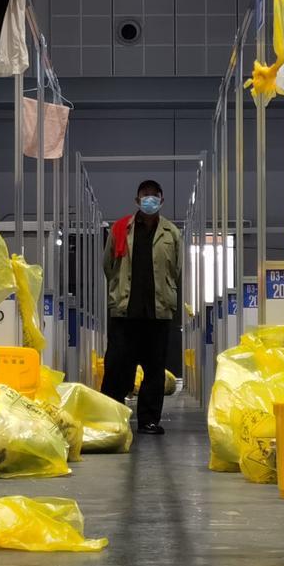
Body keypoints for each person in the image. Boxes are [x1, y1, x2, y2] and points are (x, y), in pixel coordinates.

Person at [102, 180, 183, 435]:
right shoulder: (120, 229)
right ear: (137, 201)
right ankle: (111, 418)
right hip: (125, 312)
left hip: (157, 313)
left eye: (154, 197)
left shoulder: (171, 233)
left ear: (161, 201)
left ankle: (149, 420)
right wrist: (120, 291)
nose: (149, 200)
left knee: (155, 369)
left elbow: (177, 269)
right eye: (144, 196)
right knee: (117, 368)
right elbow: (108, 266)